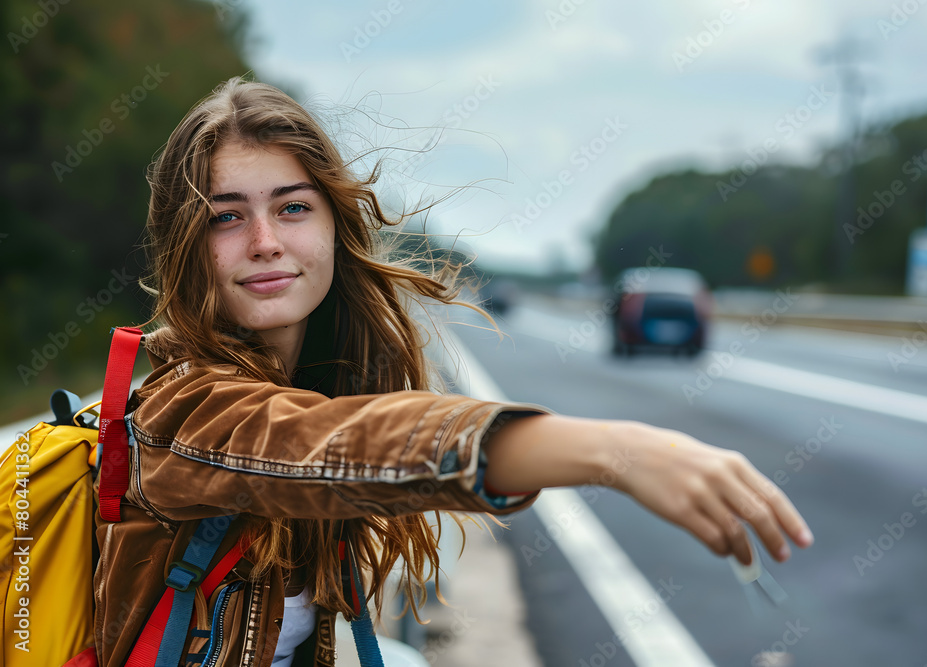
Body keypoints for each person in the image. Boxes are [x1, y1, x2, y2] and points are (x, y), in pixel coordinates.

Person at [93, 75, 813, 667]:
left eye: (292, 207)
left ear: (334, 228)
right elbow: (338, 444)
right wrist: (619, 454)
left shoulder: (313, 380)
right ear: (186, 243)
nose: (265, 241)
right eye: (225, 217)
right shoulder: (182, 407)